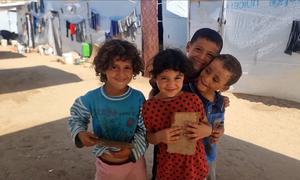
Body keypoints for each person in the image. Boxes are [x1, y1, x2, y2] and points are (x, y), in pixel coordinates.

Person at [150, 28, 225, 180]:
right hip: (167, 152)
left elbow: (216, 117)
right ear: (188, 46)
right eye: (198, 49)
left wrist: (214, 129)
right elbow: (154, 101)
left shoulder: (207, 82)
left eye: (210, 55)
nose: (202, 57)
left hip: (198, 155)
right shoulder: (171, 69)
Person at [68, 39, 147, 180]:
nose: (121, 73)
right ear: (103, 68)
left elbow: (144, 129)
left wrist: (132, 150)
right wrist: (80, 133)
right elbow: (77, 116)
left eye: (127, 67)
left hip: (135, 163)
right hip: (106, 166)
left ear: (134, 69)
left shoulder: (138, 98)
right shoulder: (92, 98)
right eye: (114, 67)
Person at [143, 48, 213, 180]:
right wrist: (159, 136)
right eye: (164, 78)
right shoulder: (150, 107)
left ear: (184, 77)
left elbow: (207, 125)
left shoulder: (192, 100)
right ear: (155, 77)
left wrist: (206, 130)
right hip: (168, 168)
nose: (171, 84)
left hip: (195, 166)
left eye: (177, 78)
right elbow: (148, 136)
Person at [184, 54, 242, 180]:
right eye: (208, 70)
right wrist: (208, 130)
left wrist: (220, 130)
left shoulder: (220, 102)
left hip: (208, 156)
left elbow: (220, 123)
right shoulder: (185, 92)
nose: (206, 78)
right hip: (186, 158)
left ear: (224, 87)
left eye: (215, 79)